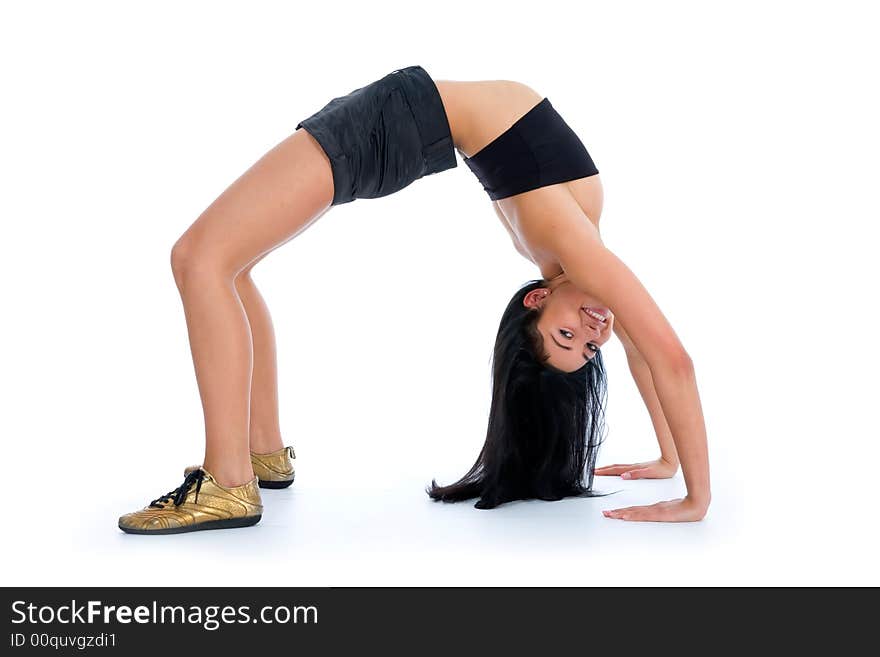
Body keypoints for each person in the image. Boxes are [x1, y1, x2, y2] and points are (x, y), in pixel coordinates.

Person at [118, 65, 710, 534]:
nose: (592, 329)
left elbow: (668, 362)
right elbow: (648, 352)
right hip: (405, 121)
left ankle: (229, 482)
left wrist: (695, 498)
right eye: (584, 345)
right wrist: (671, 464)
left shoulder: (571, 252)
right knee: (230, 266)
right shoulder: (580, 262)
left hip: (398, 122)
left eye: (570, 341)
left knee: (200, 260)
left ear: (534, 301)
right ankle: (261, 454)